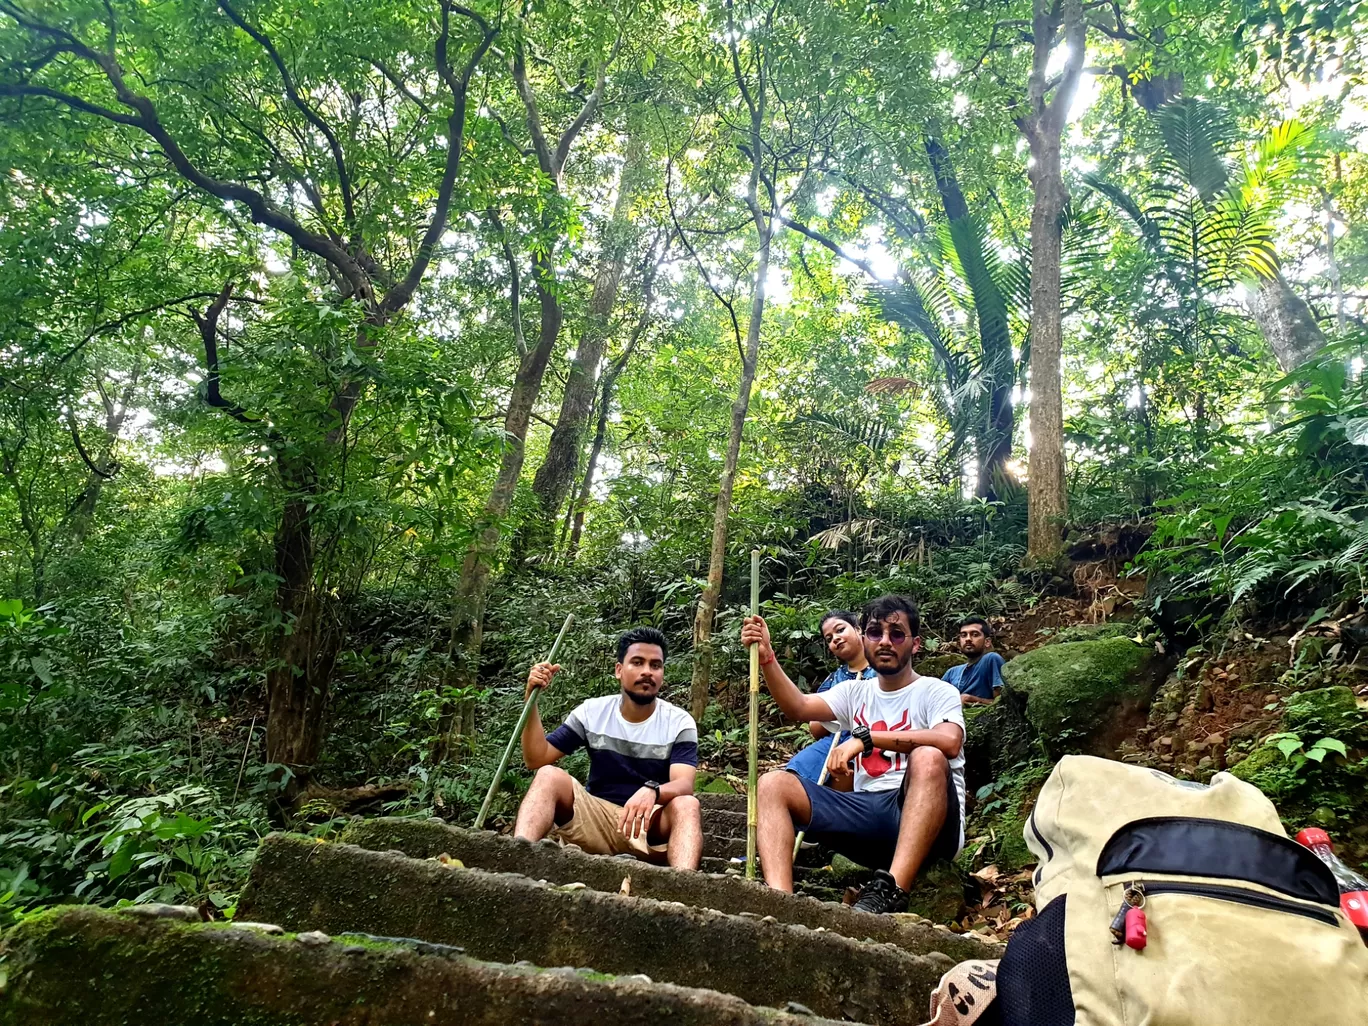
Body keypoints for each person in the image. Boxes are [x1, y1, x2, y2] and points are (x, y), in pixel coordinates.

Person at [742, 595, 966, 914]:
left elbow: (950, 741)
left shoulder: (935, 690)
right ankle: (781, 903)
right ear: (865, 639)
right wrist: (767, 658)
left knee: (929, 756)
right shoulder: (854, 692)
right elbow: (799, 708)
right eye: (876, 632)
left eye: (897, 634)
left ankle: (891, 889)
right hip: (868, 819)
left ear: (915, 644)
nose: (885, 641)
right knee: (772, 784)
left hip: (931, 825)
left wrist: (865, 737)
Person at [512, 626, 703, 870]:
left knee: (688, 804)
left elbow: (684, 784)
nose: (647, 671)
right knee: (548, 775)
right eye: (637, 662)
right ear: (619, 670)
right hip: (595, 820)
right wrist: (532, 699)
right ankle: (516, 859)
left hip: (648, 825)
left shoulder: (678, 722)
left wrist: (652, 791)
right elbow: (537, 758)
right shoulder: (592, 713)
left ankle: (684, 886)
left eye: (655, 665)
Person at [784, 610, 878, 785]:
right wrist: (838, 710)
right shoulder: (834, 680)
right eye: (829, 638)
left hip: (874, 738)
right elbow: (815, 727)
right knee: (795, 772)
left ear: (858, 629)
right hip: (833, 741)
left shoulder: (882, 669)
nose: (835, 638)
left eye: (840, 630)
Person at [944, 616, 1005, 707]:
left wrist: (972, 700)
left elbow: (1003, 703)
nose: (968, 639)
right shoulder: (952, 672)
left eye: (975, 634)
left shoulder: (991, 660)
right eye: (963, 635)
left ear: (987, 642)